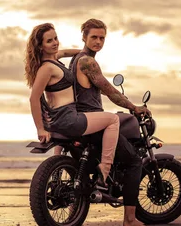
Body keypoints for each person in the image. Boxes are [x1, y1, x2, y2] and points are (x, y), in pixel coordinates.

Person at [70, 18, 153, 226]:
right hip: (93, 122)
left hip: (79, 121)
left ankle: (86, 197)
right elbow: (109, 90)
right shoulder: (88, 62)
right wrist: (134, 107)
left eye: (102, 38)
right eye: (94, 37)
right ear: (84, 37)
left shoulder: (75, 60)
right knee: (134, 161)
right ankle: (130, 221)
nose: (98, 41)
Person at [25, 23, 119, 185]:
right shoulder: (47, 68)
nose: (55, 43)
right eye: (49, 41)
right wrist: (40, 129)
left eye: (56, 38)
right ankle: (105, 169)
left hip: (57, 119)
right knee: (113, 120)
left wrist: (86, 52)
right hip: (68, 119)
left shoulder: (53, 58)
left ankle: (56, 171)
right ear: (40, 46)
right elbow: (34, 98)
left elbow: (66, 52)